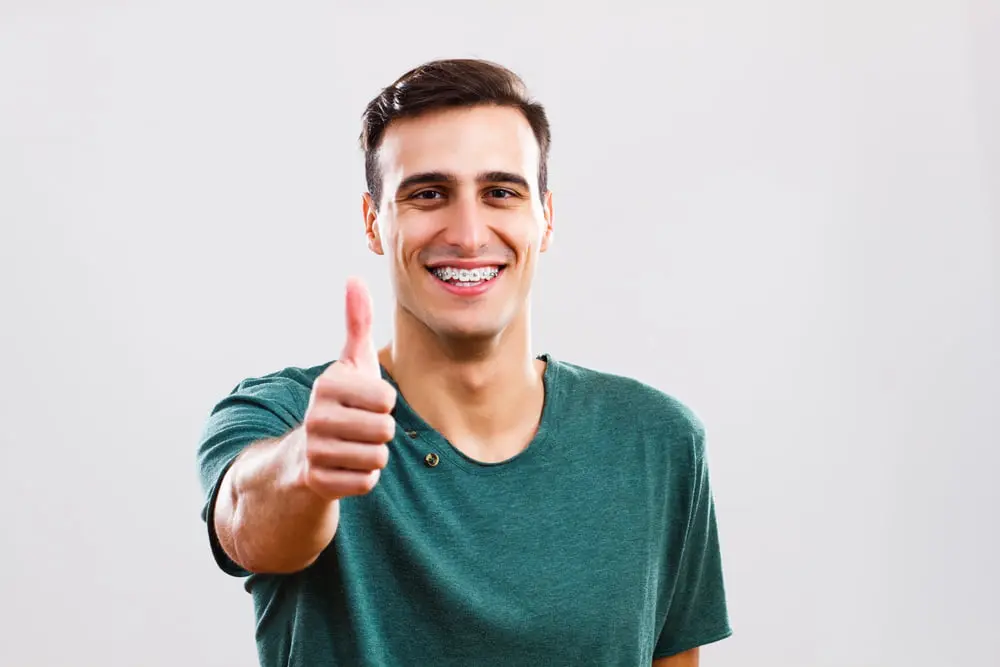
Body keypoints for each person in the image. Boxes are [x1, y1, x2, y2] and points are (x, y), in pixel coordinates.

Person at [196, 58, 732, 667]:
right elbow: (248, 521)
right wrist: (306, 466)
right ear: (375, 222)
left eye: (500, 192)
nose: (470, 233)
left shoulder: (657, 440)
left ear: (546, 218)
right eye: (429, 194)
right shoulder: (289, 416)